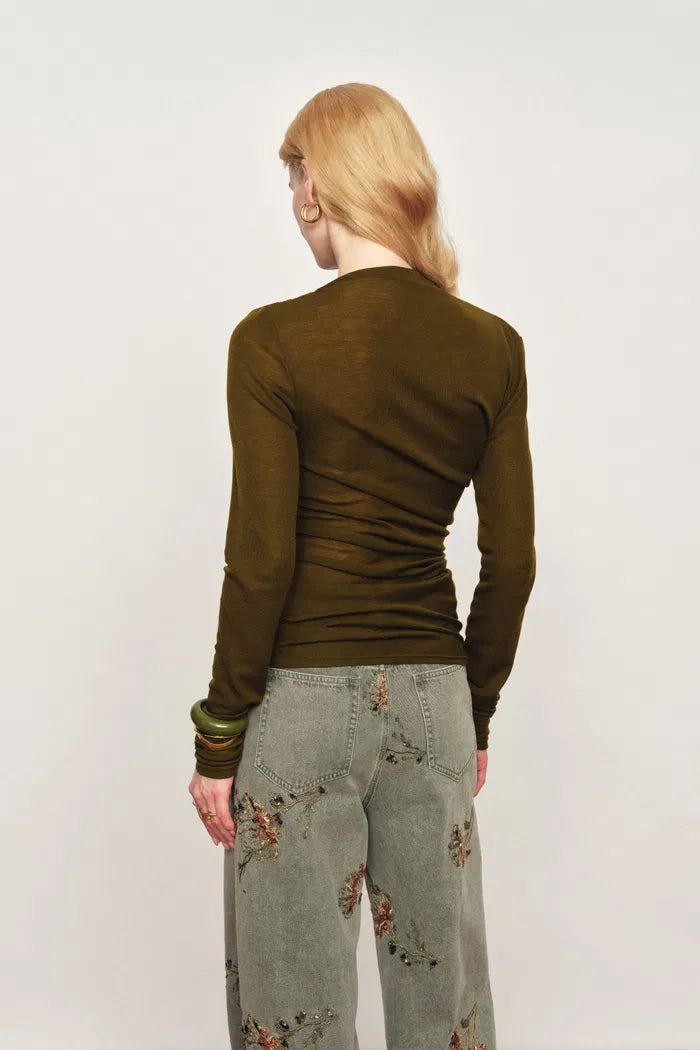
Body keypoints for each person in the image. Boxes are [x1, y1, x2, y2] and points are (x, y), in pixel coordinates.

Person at [188, 82, 536, 1050]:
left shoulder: (271, 341)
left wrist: (219, 733)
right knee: (446, 1005)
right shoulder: (492, 347)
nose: (293, 201)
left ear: (316, 188)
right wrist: (475, 708)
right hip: (432, 699)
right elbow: (511, 561)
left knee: (292, 1009)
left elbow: (262, 558)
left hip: (298, 703)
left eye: (293, 178)